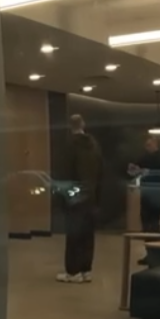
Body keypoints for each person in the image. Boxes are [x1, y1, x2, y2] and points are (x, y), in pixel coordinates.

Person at [59, 114, 103, 284]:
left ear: (69, 126)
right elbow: (101, 172)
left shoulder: (70, 145)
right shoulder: (94, 146)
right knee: (87, 235)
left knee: (74, 235)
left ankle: (73, 272)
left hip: (75, 197)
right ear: (83, 124)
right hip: (91, 196)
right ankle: (86, 270)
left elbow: (66, 173)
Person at [127, 135, 160, 233]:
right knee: (145, 210)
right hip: (147, 187)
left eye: (149, 145)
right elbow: (135, 168)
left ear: (155, 145)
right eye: (146, 145)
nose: (147, 147)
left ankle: (154, 230)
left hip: (158, 187)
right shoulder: (144, 157)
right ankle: (146, 229)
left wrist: (148, 171)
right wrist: (133, 168)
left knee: (155, 211)